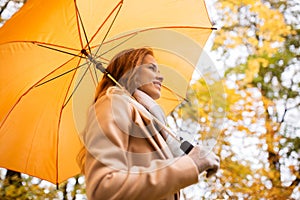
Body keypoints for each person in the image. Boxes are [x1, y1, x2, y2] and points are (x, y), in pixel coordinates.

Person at [78, 47, 220, 200]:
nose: (161, 77)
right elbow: (104, 188)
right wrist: (191, 164)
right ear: (131, 72)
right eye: (152, 68)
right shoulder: (113, 103)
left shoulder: (153, 124)